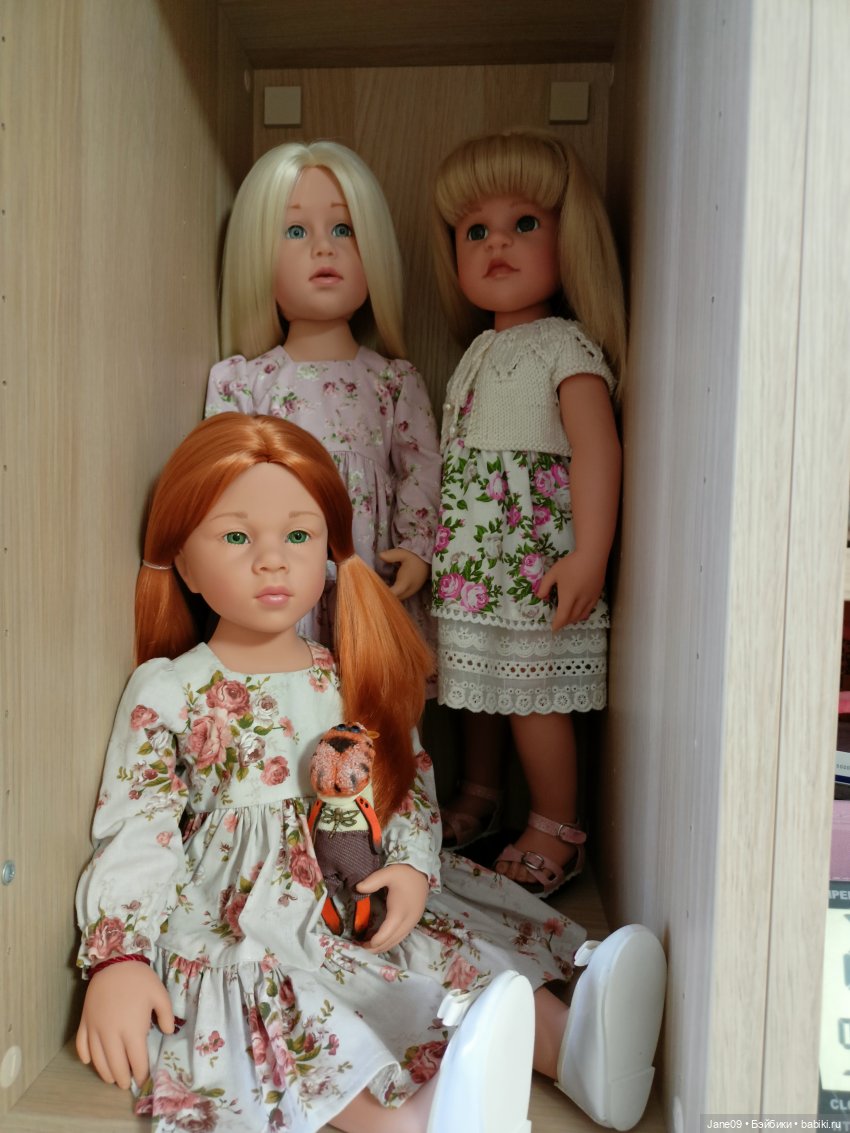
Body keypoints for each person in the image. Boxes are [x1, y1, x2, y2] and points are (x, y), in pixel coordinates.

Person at [74, 414, 665, 1133]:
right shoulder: (171, 688)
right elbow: (140, 825)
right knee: (280, 1003)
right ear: (184, 563)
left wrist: (411, 864)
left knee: (443, 946)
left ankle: (577, 1050)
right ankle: (409, 1121)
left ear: (327, 549)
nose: (272, 561)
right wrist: (119, 957)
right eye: (236, 537)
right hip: (239, 913)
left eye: (298, 536)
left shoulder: (347, 674)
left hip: (354, 882)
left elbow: (402, 781)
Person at [430, 128, 626, 897]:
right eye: (475, 231)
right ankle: (482, 794)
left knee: (533, 694)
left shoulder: (564, 346)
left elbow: (597, 450)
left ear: (569, 240)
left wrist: (590, 554)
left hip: (533, 562)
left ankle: (556, 823)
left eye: (523, 224)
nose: (496, 244)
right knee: (475, 690)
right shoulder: (477, 351)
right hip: (475, 567)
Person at [205, 140, 440, 652]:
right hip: (280, 582)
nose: (324, 248)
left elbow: (421, 467)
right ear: (256, 256)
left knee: (374, 683)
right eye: (295, 231)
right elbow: (224, 490)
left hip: (372, 577)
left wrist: (418, 547)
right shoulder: (245, 382)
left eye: (343, 229)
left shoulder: (393, 382)